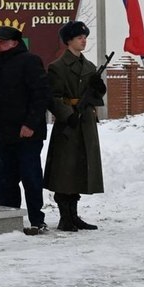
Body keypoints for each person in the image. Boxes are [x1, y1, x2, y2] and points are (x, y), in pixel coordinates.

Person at [0, 25, 52, 235]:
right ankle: (10, 219)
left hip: (26, 134)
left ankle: (36, 219)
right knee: (6, 180)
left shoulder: (29, 61)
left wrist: (30, 124)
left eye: (2, 41)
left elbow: (41, 95)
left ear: (15, 42)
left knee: (30, 177)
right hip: (3, 134)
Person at [44, 21, 105, 231]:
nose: (84, 40)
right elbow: (53, 97)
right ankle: (65, 217)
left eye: (85, 37)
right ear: (69, 40)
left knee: (79, 169)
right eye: (79, 37)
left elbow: (96, 96)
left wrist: (99, 89)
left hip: (85, 123)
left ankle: (74, 215)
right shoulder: (57, 67)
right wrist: (67, 115)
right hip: (68, 124)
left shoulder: (89, 67)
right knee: (65, 170)